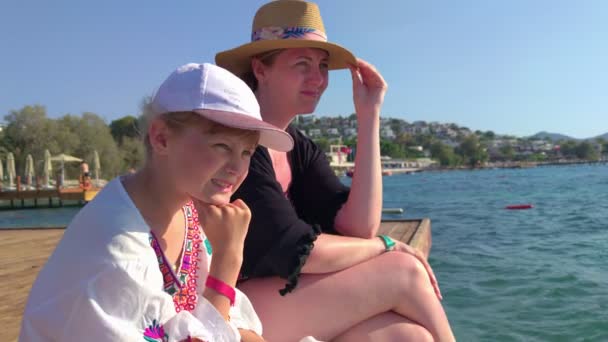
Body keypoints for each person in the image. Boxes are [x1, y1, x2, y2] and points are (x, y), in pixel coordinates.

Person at [216, 1, 456, 341]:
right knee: (404, 272)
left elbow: (358, 226)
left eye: (323, 65)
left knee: (408, 336)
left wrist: (369, 114)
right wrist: (385, 245)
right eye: (302, 64)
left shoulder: (298, 147)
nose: (318, 79)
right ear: (260, 69)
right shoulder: (238, 144)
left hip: (280, 300)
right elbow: (299, 249)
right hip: (231, 306)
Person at [20, 63, 294, 341]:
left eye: (247, 152)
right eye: (222, 146)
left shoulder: (190, 212)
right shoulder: (117, 248)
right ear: (161, 138)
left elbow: (232, 327)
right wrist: (229, 257)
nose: (237, 167)